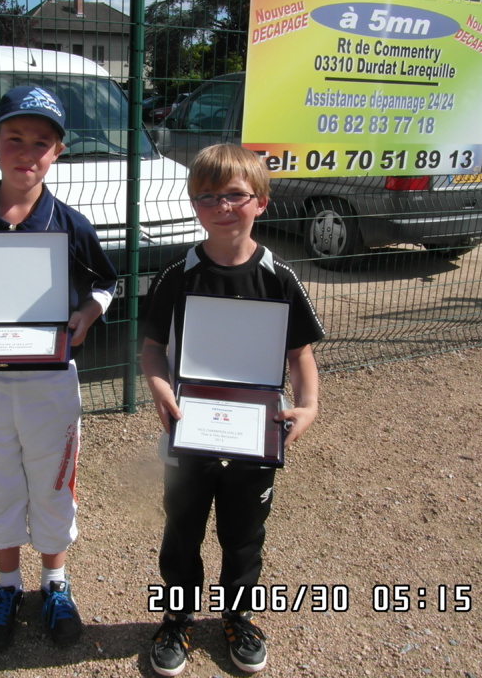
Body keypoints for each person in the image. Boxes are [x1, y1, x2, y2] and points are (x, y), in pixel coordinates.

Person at [0, 85, 118, 653]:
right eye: (15, 138)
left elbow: (107, 282)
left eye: (41, 142)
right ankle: (6, 586)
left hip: (49, 383)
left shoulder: (71, 225)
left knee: (53, 482)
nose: (26, 152)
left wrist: (86, 314)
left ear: (58, 151)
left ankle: (55, 583)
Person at [139, 143, 325, 675]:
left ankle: (238, 617)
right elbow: (152, 347)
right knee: (181, 530)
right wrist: (158, 386)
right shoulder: (176, 276)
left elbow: (299, 354)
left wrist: (308, 406)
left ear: (261, 201)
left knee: (244, 533)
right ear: (194, 206)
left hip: (256, 432)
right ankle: (176, 618)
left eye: (235, 195)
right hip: (188, 427)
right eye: (207, 197)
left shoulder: (279, 278)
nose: (222, 207)